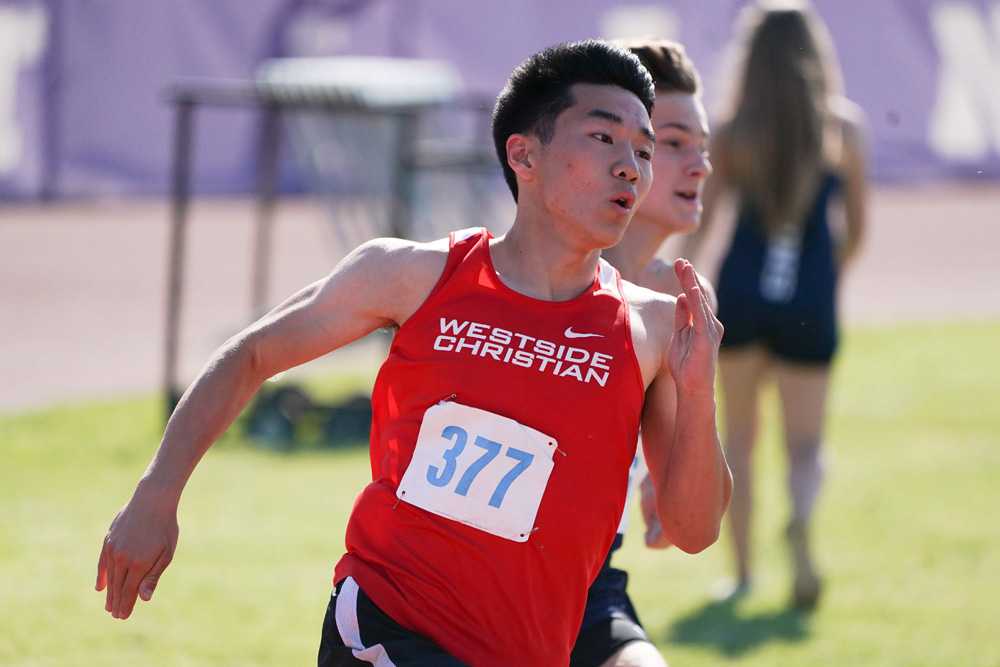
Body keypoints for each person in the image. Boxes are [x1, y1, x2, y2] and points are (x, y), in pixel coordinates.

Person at [95, 40, 732, 666]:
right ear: (524, 154)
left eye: (644, 150)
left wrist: (699, 393)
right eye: (604, 138)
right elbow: (250, 356)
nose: (631, 166)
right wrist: (157, 493)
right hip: (384, 628)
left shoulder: (648, 329)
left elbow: (695, 530)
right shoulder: (413, 275)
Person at [684, 1, 867, 609]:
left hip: (742, 293)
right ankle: (803, 528)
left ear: (752, 59)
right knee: (806, 446)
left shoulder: (734, 130)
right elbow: (857, 230)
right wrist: (822, 277)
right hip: (809, 299)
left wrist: (675, 282)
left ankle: (741, 575)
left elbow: (702, 223)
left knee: (738, 439)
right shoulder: (843, 127)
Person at [570, 40, 715, 667]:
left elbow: (692, 517)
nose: (700, 166)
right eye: (676, 142)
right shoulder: (539, 271)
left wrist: (664, 471)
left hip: (586, 586)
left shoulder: (680, 299)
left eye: (704, 148)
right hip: (468, 586)